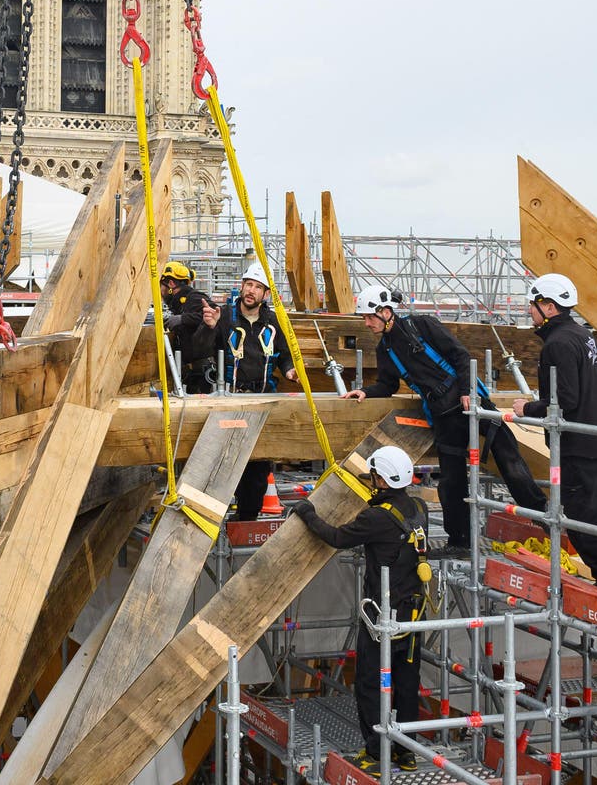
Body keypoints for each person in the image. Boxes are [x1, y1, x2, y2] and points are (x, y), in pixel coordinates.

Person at [343, 284, 548, 557]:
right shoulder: (387, 350)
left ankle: (543, 517)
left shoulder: (422, 326)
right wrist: (366, 391)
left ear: (386, 311)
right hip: (443, 416)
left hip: (469, 402)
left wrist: (466, 391)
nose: (366, 323)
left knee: (509, 460)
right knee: (451, 483)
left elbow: (460, 356)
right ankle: (460, 542)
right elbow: (387, 384)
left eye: (370, 317)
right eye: (364, 318)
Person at [512, 274, 597, 606]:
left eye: (533, 305)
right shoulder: (581, 335)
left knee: (583, 522)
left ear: (548, 306)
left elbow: (566, 400)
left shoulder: (558, 344)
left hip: (579, 445)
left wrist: (527, 408)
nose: (530, 311)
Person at [292, 446, 427, 772]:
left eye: (374, 476)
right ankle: (406, 751)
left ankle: (377, 752)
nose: (371, 481)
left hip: (382, 616)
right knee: (406, 681)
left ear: (382, 477)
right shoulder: (419, 507)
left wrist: (308, 513)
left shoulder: (376, 517)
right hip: (413, 614)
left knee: (370, 682)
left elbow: (338, 537)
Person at [213, 263, 298, 518]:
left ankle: (245, 523)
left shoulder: (272, 322)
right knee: (223, 468)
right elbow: (207, 348)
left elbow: (283, 354)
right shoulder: (226, 317)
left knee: (257, 474)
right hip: (229, 400)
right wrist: (210, 327)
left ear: (266, 294)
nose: (251, 291)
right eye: (248, 284)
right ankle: (217, 526)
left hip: (262, 401)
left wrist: (290, 370)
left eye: (257, 287)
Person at [158, 261, 218, 394]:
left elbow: (214, 313)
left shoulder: (194, 298)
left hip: (203, 374)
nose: (160, 292)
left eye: (161, 286)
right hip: (192, 373)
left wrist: (182, 319)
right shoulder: (180, 304)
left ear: (171, 284)